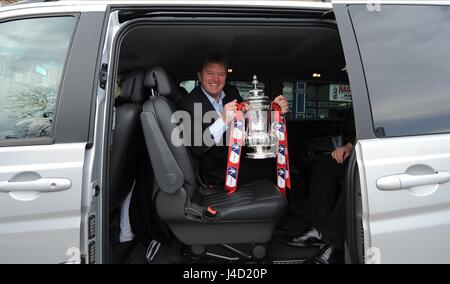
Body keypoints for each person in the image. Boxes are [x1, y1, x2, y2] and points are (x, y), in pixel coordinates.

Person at [178, 53, 289, 186]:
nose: (216, 79)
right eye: (210, 73)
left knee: (275, 163)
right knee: (268, 171)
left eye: (221, 74)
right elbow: (196, 147)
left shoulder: (231, 92)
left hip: (240, 156)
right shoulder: (188, 103)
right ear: (200, 76)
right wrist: (223, 120)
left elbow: (249, 117)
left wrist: (273, 109)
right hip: (215, 169)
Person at [286, 106, 354, 264]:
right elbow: (357, 134)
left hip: (376, 159)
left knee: (354, 180)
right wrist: (348, 147)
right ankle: (317, 228)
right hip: (356, 151)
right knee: (326, 162)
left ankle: (334, 245)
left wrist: (351, 148)